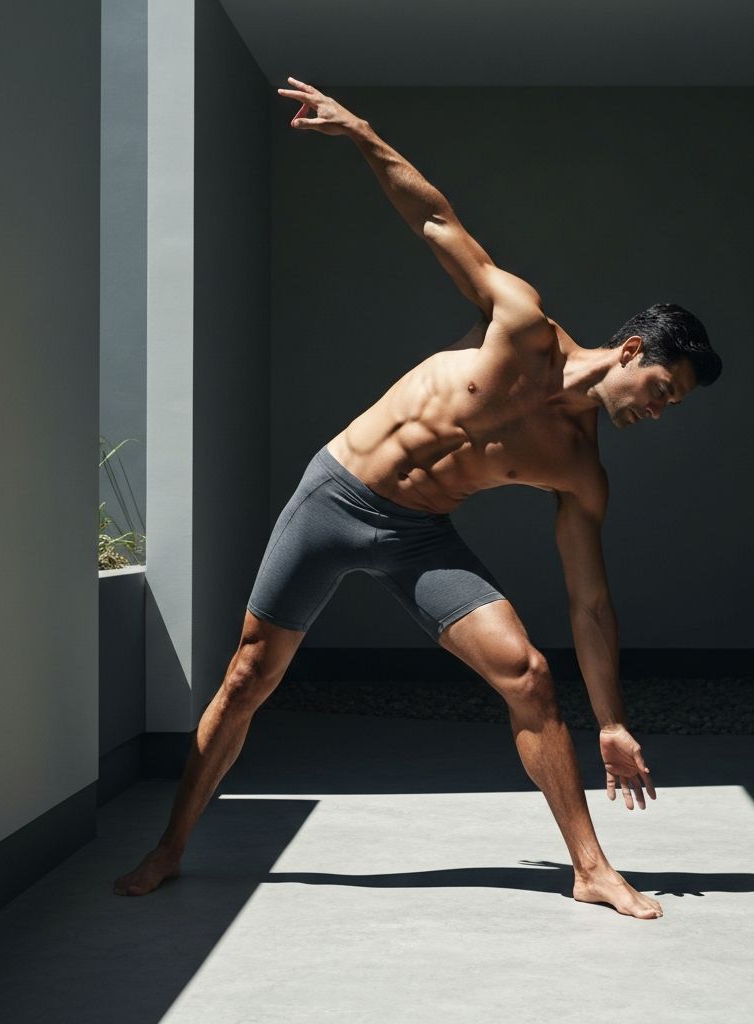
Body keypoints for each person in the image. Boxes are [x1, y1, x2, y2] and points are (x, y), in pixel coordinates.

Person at [114, 77, 722, 919]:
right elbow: (436, 220)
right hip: (335, 496)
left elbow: (589, 603)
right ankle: (171, 847)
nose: (660, 408)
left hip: (417, 536)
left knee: (529, 676)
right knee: (250, 676)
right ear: (628, 353)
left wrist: (613, 722)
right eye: (663, 386)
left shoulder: (582, 469)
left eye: (673, 404)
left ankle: (590, 868)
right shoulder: (521, 322)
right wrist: (362, 132)